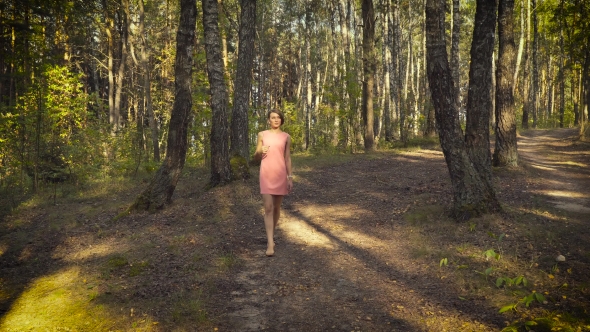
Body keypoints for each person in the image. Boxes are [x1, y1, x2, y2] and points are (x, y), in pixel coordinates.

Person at [255, 110, 293, 257]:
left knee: (277, 208)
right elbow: (256, 155)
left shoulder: (286, 137)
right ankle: (270, 242)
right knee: (268, 208)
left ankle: (272, 233)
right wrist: (260, 151)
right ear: (268, 120)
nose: (275, 120)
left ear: (281, 120)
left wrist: (290, 177)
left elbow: (287, 158)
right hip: (266, 174)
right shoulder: (262, 134)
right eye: (273, 118)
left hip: (280, 174)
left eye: (278, 117)